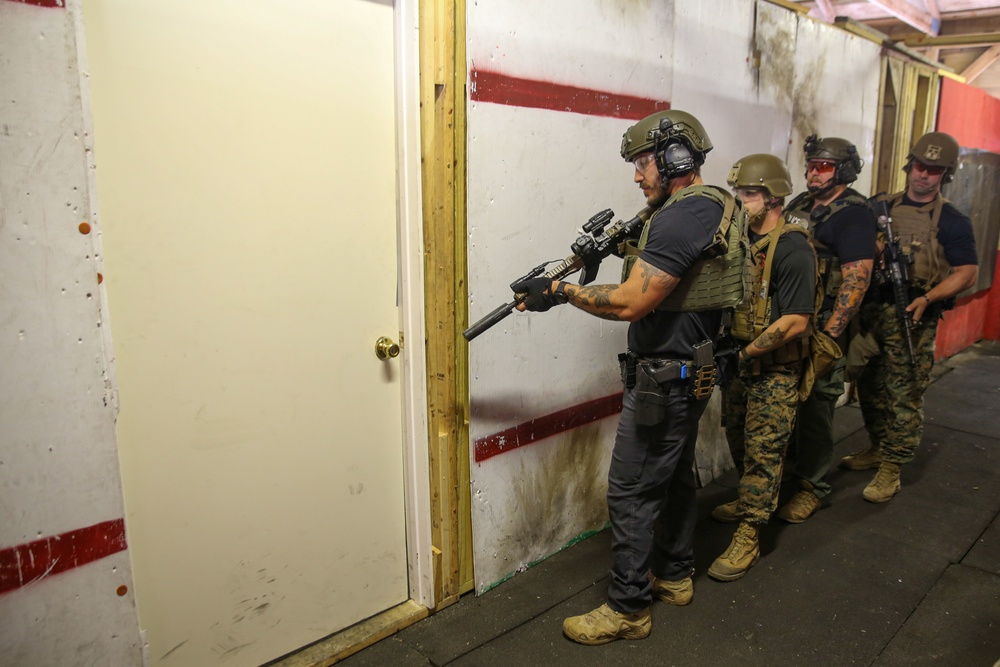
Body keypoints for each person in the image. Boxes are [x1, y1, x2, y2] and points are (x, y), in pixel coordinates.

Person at [514, 110, 740, 644]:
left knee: (631, 491)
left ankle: (628, 608)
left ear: (676, 158)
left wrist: (560, 292)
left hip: (666, 379)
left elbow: (631, 302)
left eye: (642, 163)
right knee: (675, 475)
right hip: (688, 371)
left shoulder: (683, 216)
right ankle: (676, 573)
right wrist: (597, 255)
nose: (637, 175)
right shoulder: (704, 208)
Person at [841, 131, 978, 502]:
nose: (924, 175)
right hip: (872, 309)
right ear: (909, 166)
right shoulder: (877, 207)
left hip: (914, 313)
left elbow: (967, 272)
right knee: (868, 383)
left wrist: (929, 297)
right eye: (920, 166)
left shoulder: (952, 220)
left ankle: (893, 466)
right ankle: (876, 446)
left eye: (934, 170)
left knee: (905, 391)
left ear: (944, 175)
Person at [707, 154, 817, 581]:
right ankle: (754, 496)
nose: (740, 201)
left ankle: (751, 531)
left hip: (773, 367)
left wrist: (746, 354)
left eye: (749, 193)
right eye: (738, 192)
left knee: (764, 448)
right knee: (737, 434)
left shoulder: (792, 247)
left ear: (773, 196)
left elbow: (795, 320)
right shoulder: (739, 241)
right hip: (737, 358)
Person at [777, 135, 876, 522]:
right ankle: (787, 473)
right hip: (791, 323)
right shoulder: (799, 205)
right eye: (812, 165)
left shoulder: (853, 214)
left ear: (844, 171)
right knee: (786, 403)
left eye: (824, 167)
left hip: (823, 330)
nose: (813, 173)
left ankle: (812, 486)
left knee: (817, 407)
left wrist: (830, 336)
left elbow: (856, 281)